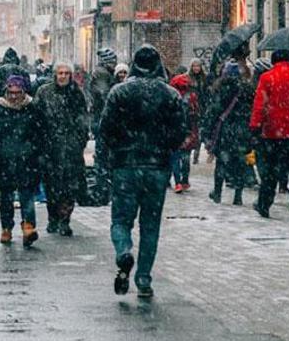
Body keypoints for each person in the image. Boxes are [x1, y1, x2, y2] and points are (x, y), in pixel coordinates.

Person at [99, 44, 187, 298]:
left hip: (125, 166)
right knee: (150, 225)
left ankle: (124, 251)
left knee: (121, 220)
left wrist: (117, 150)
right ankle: (144, 278)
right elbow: (180, 131)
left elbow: (105, 129)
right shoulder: (170, 95)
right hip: (156, 167)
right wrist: (164, 148)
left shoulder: (119, 92)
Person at [0, 74, 48, 247]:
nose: (14, 96)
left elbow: (40, 134)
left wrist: (38, 154)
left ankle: (28, 227)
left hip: (27, 160)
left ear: (23, 92)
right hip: (5, 160)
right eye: (11, 92)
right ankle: (6, 228)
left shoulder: (32, 108)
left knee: (27, 195)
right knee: (6, 196)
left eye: (18, 93)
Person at [34, 62, 89, 236]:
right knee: (51, 185)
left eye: (66, 73)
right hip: (50, 148)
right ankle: (53, 218)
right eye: (60, 73)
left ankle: (65, 220)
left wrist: (80, 141)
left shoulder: (76, 93)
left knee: (69, 186)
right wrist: (40, 141)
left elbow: (83, 119)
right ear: (55, 75)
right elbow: (37, 118)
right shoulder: (44, 92)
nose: (63, 76)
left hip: (71, 149)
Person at [251, 49, 289, 220]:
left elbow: (260, 104)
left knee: (270, 173)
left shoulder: (267, 77)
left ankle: (264, 204)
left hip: (271, 133)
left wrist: (255, 126)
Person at [205, 61, 254, 205]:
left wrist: (208, 131)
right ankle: (238, 196)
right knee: (240, 162)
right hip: (242, 130)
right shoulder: (247, 88)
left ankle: (217, 192)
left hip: (224, 129)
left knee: (221, 162)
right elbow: (251, 110)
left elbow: (213, 111)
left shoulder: (220, 88)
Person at [91, 47, 118, 204]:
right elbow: (104, 96)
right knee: (103, 156)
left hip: (101, 120)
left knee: (103, 155)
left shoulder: (102, 73)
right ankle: (103, 190)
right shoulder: (102, 74)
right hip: (102, 121)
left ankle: (103, 188)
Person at [169, 73, 200, 194]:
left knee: (175, 158)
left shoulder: (171, 96)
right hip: (188, 131)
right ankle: (184, 180)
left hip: (175, 130)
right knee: (185, 157)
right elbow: (196, 114)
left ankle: (178, 182)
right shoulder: (191, 97)